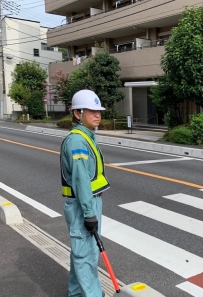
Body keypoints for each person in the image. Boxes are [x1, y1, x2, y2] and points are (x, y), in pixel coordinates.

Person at [60, 89, 110, 297]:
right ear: (78, 114)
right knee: (86, 256)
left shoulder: (87, 137)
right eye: (91, 111)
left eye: (98, 111)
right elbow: (81, 181)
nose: (97, 114)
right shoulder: (78, 141)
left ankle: (76, 294)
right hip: (83, 205)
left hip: (89, 203)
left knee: (81, 253)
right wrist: (89, 212)